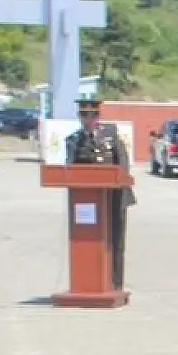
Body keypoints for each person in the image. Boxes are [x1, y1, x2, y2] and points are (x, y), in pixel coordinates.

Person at [65, 95, 135, 291]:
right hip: (86, 199)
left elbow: (122, 162)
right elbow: (69, 170)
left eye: (92, 115)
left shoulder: (111, 135)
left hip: (114, 196)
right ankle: (88, 281)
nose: (88, 119)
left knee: (115, 240)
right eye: (84, 115)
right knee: (87, 240)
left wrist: (120, 180)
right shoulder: (74, 140)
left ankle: (115, 282)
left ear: (98, 116)